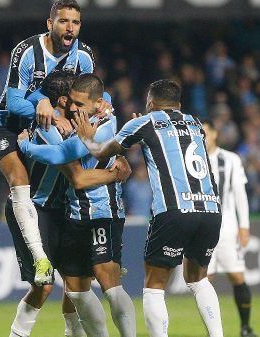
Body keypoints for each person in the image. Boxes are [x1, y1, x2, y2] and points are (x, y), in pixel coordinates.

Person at [74, 79, 224, 337]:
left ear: (150, 103)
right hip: (210, 209)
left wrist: (87, 138)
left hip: (174, 210)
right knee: (199, 280)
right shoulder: (196, 124)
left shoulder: (143, 122)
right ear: (178, 104)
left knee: (154, 286)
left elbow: (101, 153)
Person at [0, 0, 111, 286]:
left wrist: (105, 105)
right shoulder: (27, 50)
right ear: (50, 24)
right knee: (19, 181)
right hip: (9, 123)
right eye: (63, 21)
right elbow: (12, 100)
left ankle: (97, 259)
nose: (70, 28)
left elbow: (89, 96)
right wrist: (44, 106)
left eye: (76, 23)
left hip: (49, 125)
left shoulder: (84, 56)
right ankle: (40, 257)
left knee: (68, 178)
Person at [6, 70, 125, 337]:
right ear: (62, 101)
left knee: (75, 283)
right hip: (36, 210)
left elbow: (101, 107)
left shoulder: (75, 122)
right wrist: (113, 173)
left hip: (63, 209)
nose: (76, 104)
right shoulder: (48, 128)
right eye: (72, 99)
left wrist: (116, 151)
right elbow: (78, 176)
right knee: (44, 285)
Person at [203, 119, 257, 337]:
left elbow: (240, 195)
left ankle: (245, 327)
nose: (203, 137)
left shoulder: (231, 159)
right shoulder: (191, 158)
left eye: (205, 133)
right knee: (204, 281)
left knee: (237, 276)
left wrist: (244, 225)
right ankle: (213, 331)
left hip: (226, 229)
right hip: (203, 230)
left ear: (215, 134)